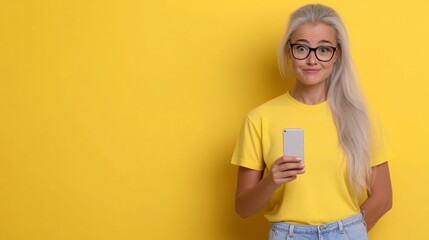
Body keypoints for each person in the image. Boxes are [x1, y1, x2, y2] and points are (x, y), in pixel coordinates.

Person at [231, 4, 392, 240]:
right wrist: (271, 181)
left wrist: (346, 233)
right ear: (289, 51)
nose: (312, 60)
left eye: (324, 49)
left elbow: (383, 197)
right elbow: (243, 208)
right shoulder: (260, 119)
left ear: (337, 54)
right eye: (302, 48)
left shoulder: (361, 117)